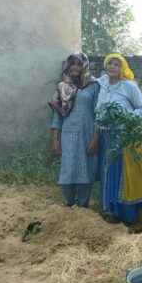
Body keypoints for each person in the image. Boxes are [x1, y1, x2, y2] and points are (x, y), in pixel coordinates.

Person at [96, 53, 142, 225]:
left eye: (116, 64)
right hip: (107, 136)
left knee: (123, 175)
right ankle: (108, 209)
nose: (112, 66)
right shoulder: (102, 83)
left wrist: (125, 119)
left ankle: (125, 214)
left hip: (124, 137)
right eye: (109, 63)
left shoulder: (128, 86)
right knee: (107, 171)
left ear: (122, 68)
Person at [49, 53, 100, 207]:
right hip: (68, 135)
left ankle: (82, 206)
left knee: (86, 169)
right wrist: (55, 139)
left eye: (79, 64)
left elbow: (100, 114)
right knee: (68, 169)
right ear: (68, 65)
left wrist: (96, 138)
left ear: (84, 65)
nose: (76, 67)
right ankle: (68, 204)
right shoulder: (63, 86)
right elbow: (58, 116)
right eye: (73, 64)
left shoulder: (94, 85)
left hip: (88, 134)